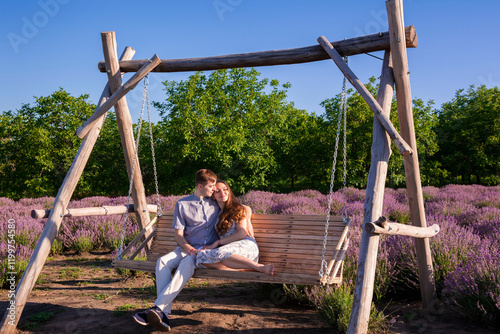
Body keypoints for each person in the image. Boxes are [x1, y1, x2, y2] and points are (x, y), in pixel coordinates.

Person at [133, 169, 220, 332]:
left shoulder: (216, 202)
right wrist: (190, 249)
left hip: (206, 252)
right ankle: (163, 314)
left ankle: (157, 309)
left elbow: (238, 206)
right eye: (211, 185)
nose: (214, 188)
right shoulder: (182, 204)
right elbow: (179, 235)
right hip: (186, 248)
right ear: (200, 186)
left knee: (187, 262)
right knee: (162, 262)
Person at [196, 180, 274, 275]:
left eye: (225, 189)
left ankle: (259, 267)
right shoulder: (216, 212)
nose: (223, 193)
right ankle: (238, 270)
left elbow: (241, 234)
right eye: (218, 191)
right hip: (228, 252)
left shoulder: (237, 209)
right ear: (213, 195)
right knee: (200, 257)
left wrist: (217, 242)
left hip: (245, 246)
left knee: (220, 253)